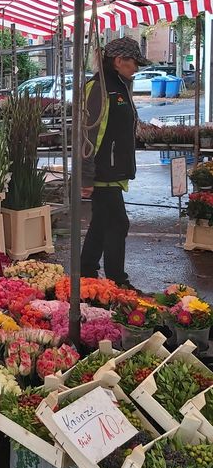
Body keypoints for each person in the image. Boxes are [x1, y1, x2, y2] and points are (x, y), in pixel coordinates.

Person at [80, 36, 150, 289]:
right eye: (134, 63)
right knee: (118, 222)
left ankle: (86, 271)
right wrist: (85, 176)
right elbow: (87, 134)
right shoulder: (99, 87)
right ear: (119, 61)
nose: (137, 68)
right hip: (102, 170)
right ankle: (116, 280)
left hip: (114, 169)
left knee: (101, 221)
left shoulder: (119, 85)